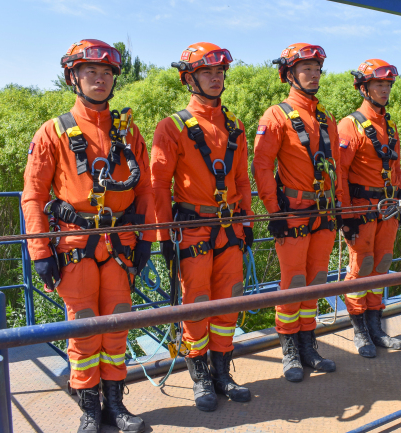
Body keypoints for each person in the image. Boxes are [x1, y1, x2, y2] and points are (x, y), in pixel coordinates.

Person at [22, 39, 154, 433]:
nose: (100, 79)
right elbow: (33, 195)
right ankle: (89, 409)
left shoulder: (128, 132)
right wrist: (39, 251)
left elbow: (146, 189)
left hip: (120, 244)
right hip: (76, 246)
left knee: (117, 324)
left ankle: (115, 404)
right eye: (91, 72)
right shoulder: (53, 132)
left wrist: (148, 238)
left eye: (106, 73)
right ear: (74, 78)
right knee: (82, 328)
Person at [151, 42, 253, 412]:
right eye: (207, 72)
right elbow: (158, 185)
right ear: (189, 79)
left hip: (229, 228)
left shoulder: (235, 126)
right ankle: (200, 376)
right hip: (192, 230)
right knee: (195, 304)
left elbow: (241, 180)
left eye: (219, 72)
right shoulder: (172, 126)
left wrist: (247, 220)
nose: (215, 78)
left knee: (229, 301)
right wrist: (164, 235)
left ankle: (222, 372)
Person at [252, 43, 342, 383]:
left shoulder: (325, 118)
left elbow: (337, 167)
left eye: (317, 69)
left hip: (324, 212)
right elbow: (262, 166)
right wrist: (274, 212)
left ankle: (308, 346)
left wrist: (339, 205)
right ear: (289, 74)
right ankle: (289, 350)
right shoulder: (276, 116)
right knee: (293, 284)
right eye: (307, 69)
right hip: (293, 212)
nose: (314, 74)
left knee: (316, 282)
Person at [337, 59, 401, 358]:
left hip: (388, 208)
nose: (385, 89)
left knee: (382, 265)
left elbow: (396, 169)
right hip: (361, 209)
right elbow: (339, 174)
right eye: (379, 84)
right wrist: (346, 215)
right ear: (364, 88)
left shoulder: (389, 125)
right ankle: (360, 330)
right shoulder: (349, 125)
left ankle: (376, 326)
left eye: (388, 84)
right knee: (361, 267)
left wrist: (399, 198)